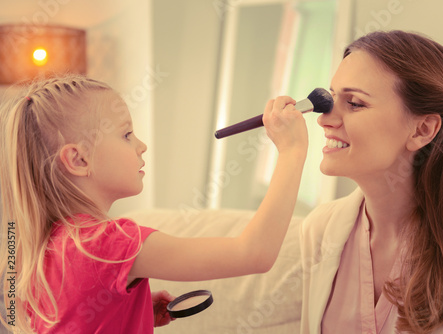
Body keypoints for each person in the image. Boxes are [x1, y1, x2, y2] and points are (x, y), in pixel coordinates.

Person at [0, 74, 308, 333]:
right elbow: (253, 254)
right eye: (127, 134)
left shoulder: (43, 246)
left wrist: (122, 310)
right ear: (78, 159)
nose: (141, 145)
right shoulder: (107, 243)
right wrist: (291, 151)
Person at [300, 30, 443, 334]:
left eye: (354, 102)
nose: (324, 119)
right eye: (332, 97)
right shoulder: (319, 230)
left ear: (422, 129)